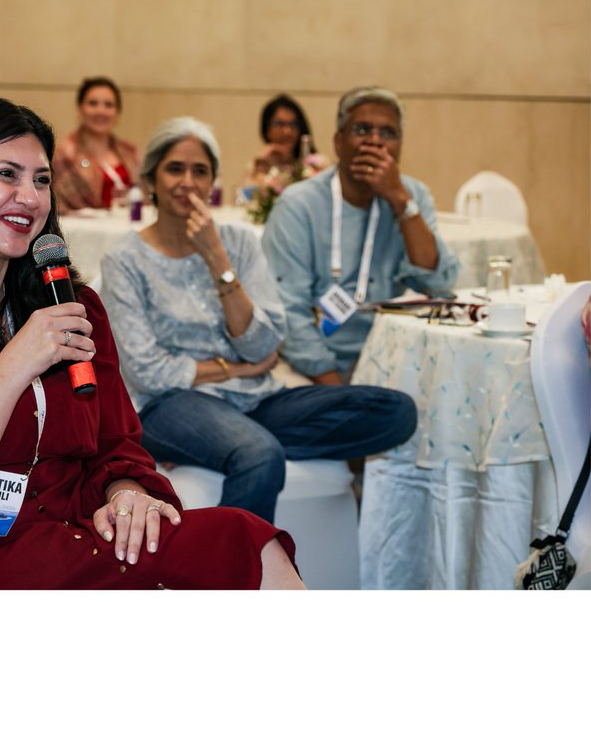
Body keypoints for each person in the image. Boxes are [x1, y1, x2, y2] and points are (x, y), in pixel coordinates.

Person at [0, 97, 304, 589]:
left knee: (250, 540)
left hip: (81, 533)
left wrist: (126, 493)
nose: (30, 197)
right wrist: (16, 363)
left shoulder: (71, 306)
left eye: (41, 180)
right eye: (7, 175)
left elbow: (116, 443)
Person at [99, 116, 417, 524]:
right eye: (175, 169)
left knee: (395, 411)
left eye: (200, 171)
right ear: (151, 180)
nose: (188, 182)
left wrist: (218, 260)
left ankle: (221, 442)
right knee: (259, 454)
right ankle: (235, 559)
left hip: (255, 399)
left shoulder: (238, 243)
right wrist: (238, 369)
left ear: (212, 181)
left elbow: (264, 344)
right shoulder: (125, 260)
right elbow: (148, 372)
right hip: (170, 406)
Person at [262, 86, 459, 383]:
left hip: (393, 358)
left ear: (400, 146)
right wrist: (339, 391)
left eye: (388, 133)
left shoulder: (412, 196)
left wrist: (400, 202)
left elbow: (439, 284)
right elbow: (288, 312)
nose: (375, 142)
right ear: (338, 142)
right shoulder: (298, 205)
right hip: (313, 368)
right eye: (362, 130)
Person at [52, 76, 141, 212]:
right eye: (93, 103)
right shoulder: (64, 155)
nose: (101, 111)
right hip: (79, 225)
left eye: (108, 105)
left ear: (117, 112)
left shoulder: (130, 151)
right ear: (80, 108)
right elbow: (58, 204)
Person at [251, 93, 317, 176]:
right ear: (267, 129)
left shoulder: (314, 166)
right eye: (279, 124)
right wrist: (261, 161)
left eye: (292, 124)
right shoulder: (257, 166)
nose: (287, 131)